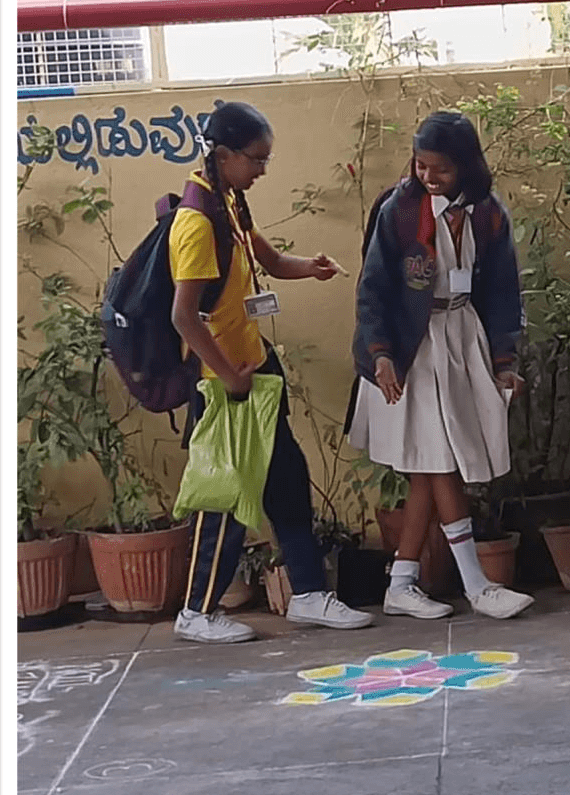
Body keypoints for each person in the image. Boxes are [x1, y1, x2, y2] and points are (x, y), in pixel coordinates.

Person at [170, 100, 374, 644]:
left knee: (286, 481)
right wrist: (228, 377)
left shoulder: (229, 203)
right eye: (256, 159)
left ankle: (307, 593)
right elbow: (183, 317)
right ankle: (196, 611)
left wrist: (310, 268)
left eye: (266, 159)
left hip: (255, 372)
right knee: (226, 494)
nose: (262, 169)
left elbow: (271, 262)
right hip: (224, 383)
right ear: (223, 155)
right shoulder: (196, 222)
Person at [347, 110, 534, 620]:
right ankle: (477, 585)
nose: (428, 176)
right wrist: (381, 355)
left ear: (467, 166)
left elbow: (503, 290)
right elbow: (373, 288)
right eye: (421, 165)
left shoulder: (488, 214)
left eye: (442, 169)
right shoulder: (400, 210)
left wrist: (503, 361)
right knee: (441, 462)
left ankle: (401, 582)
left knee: (428, 468)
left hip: (461, 339)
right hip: (413, 348)